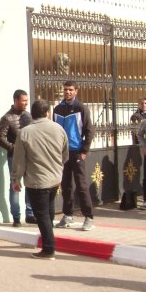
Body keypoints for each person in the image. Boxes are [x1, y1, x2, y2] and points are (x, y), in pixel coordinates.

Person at [12, 100, 69, 260]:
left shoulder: (25, 132)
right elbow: (65, 153)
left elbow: (19, 160)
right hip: (55, 178)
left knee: (42, 215)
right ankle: (48, 240)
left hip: (37, 181)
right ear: (47, 113)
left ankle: (49, 248)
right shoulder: (58, 128)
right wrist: (57, 167)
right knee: (48, 210)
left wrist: (16, 179)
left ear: (32, 114)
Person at [53, 80, 96, 231]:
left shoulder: (81, 108)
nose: (68, 92)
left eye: (71, 90)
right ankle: (68, 215)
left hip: (77, 152)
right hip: (62, 153)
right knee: (65, 185)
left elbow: (89, 130)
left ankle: (88, 217)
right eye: (66, 90)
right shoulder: (57, 109)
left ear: (76, 91)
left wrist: (84, 150)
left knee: (81, 185)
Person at [0, 89, 35, 226]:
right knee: (15, 186)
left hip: (29, 156)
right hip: (14, 157)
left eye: (27, 101)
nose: (26, 103)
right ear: (16, 100)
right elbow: (0, 138)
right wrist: (15, 148)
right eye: (24, 101)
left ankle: (30, 214)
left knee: (30, 184)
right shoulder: (7, 118)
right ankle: (16, 217)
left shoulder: (28, 116)